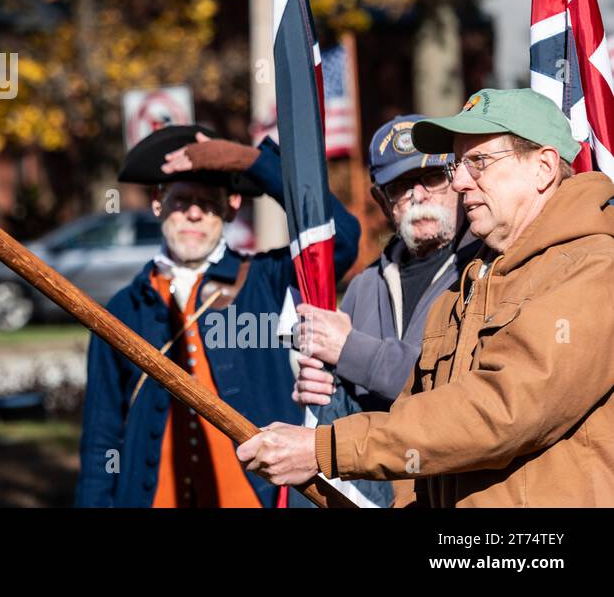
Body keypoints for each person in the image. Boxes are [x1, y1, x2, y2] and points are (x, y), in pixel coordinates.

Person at [238, 88, 614, 506]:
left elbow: (499, 412)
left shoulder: (595, 268)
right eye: (456, 165)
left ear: (543, 167)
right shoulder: (469, 283)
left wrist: (324, 449)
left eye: (478, 162)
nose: (459, 181)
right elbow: (421, 443)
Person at [76, 125, 359, 507]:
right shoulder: (124, 309)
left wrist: (254, 163)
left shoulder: (264, 279)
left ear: (231, 207)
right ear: (158, 202)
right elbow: (101, 439)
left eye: (208, 202)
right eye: (180, 200)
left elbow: (340, 238)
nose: (194, 213)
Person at [291, 115, 479, 507]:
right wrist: (322, 388)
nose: (418, 195)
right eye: (400, 186)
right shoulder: (362, 287)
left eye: (431, 178)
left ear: (457, 180)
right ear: (382, 201)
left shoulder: (483, 269)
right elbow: (352, 406)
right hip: (374, 491)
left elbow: (454, 391)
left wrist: (349, 351)